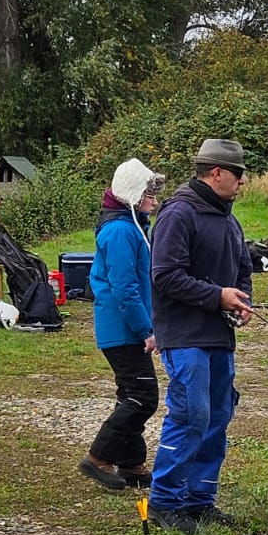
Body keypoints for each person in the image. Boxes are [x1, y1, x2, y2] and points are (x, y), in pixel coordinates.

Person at [148, 137, 253, 533]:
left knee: (218, 414)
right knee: (192, 414)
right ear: (217, 173)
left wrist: (242, 301)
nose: (242, 183)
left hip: (218, 335)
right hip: (183, 333)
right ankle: (165, 501)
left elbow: (242, 268)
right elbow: (166, 275)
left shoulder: (229, 218)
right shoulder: (178, 213)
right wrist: (218, 297)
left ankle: (199, 499)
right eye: (238, 175)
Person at [80, 157, 165, 492]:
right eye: (149, 194)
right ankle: (98, 457)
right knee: (143, 396)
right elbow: (124, 287)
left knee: (133, 393)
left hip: (127, 327)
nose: (155, 200)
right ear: (131, 195)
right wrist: (146, 330)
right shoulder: (119, 231)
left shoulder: (131, 227)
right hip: (123, 330)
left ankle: (131, 463)